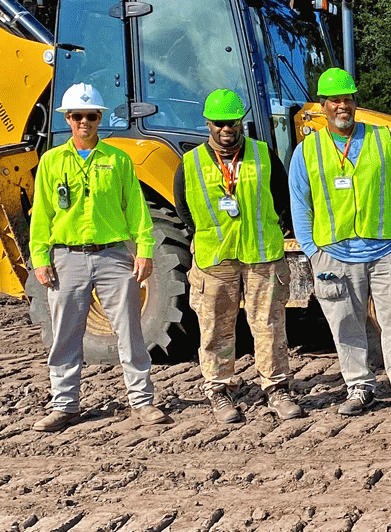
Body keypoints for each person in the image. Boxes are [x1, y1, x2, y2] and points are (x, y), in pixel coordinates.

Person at [289, 68, 391, 416]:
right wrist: (314, 252)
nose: (342, 106)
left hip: (387, 250)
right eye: (334, 101)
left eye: (348, 99)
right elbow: (300, 204)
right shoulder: (307, 151)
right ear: (323, 107)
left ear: (355, 103)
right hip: (334, 254)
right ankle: (360, 387)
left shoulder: (382, 139)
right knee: (346, 326)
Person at [29, 83, 170, 431]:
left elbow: (136, 209)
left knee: (129, 331)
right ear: (68, 119)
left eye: (91, 116)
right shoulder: (51, 162)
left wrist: (145, 250)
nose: (84, 122)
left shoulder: (118, 160)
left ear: (99, 119)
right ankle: (64, 405)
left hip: (113, 257)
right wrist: (40, 257)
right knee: (65, 334)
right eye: (77, 116)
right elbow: (41, 213)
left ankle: (142, 401)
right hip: (66, 258)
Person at [172, 88, 304, 424]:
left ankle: (276, 388)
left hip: (262, 256)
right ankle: (219, 391)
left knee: (270, 326)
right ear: (208, 124)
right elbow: (183, 207)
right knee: (216, 328)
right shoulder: (190, 163)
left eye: (232, 122)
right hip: (215, 260)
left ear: (241, 121)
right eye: (219, 123)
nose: (226, 128)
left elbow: (281, 199)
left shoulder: (263, 155)